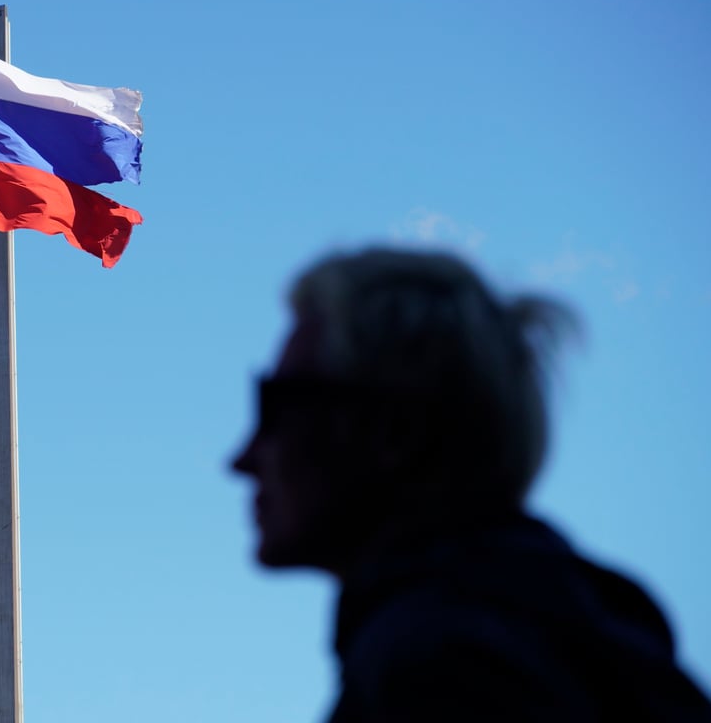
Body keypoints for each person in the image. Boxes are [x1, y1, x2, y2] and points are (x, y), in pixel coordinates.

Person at [232, 247, 711, 722]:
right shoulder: (584, 642)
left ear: (395, 430)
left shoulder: (435, 665)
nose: (242, 459)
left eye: (277, 407)